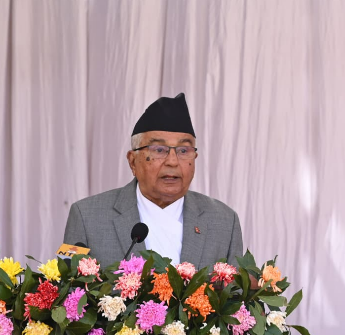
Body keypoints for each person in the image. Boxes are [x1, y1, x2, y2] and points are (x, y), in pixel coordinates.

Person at [63, 93, 243, 269]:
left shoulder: (225, 221)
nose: (172, 161)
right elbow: (64, 282)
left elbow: (237, 288)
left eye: (183, 151)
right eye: (159, 150)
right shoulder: (85, 216)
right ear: (132, 161)